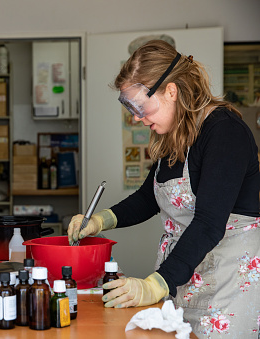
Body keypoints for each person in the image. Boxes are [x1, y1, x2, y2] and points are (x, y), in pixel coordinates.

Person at [68, 40, 260, 337]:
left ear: (171, 90)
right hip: (186, 277)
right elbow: (148, 198)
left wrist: (154, 284)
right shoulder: (176, 133)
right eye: (129, 106)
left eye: (140, 105)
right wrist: (99, 220)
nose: (135, 116)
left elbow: (209, 223)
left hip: (229, 285)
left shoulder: (224, 132)